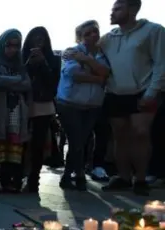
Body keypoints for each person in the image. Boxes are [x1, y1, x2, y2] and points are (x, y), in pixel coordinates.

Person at [98, 0, 164, 196]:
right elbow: (92, 53)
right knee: (119, 136)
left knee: (140, 133)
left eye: (118, 9)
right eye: (113, 9)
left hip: (142, 90)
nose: (113, 12)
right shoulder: (108, 38)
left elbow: (161, 63)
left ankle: (141, 178)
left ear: (133, 9)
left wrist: (152, 92)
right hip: (115, 92)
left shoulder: (153, 31)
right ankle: (124, 176)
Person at [57, 20, 110, 190]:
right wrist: (98, 77)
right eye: (87, 33)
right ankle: (72, 175)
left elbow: (106, 72)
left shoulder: (103, 53)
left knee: (83, 140)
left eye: (95, 31)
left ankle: (76, 174)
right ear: (79, 38)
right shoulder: (72, 52)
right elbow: (74, 74)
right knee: (76, 140)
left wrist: (87, 61)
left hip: (92, 105)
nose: (93, 35)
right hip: (70, 104)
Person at [0, 29, 31, 193]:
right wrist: (16, 80)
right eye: (9, 45)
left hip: (16, 111)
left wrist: (8, 82)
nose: (13, 49)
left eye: (16, 46)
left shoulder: (20, 65)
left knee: (14, 146)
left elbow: (27, 85)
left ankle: (10, 180)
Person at [22, 27, 61, 193]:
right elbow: (21, 78)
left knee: (38, 143)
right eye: (34, 38)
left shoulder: (54, 60)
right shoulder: (22, 58)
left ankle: (34, 180)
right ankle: (19, 176)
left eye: (41, 39)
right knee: (22, 142)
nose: (38, 42)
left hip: (43, 104)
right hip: (23, 103)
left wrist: (43, 63)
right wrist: (29, 64)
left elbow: (53, 83)